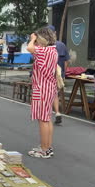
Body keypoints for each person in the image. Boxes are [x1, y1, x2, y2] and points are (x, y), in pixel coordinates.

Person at [26, 28, 58, 159]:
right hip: (49, 86)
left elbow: (29, 48)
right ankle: (47, 147)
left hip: (42, 87)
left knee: (43, 120)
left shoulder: (44, 51)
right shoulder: (53, 51)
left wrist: (32, 39)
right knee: (47, 119)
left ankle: (44, 149)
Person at [48, 26, 70, 125]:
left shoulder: (44, 45)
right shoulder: (61, 45)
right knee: (54, 93)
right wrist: (63, 74)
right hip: (58, 73)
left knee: (47, 94)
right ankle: (57, 112)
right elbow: (66, 61)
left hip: (47, 73)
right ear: (55, 32)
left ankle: (46, 114)